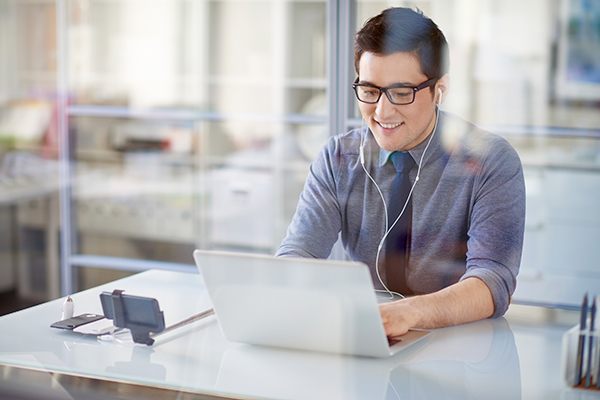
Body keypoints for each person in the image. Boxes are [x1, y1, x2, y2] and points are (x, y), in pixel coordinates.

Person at [276, 7, 525, 338]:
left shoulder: (492, 161)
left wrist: (409, 312)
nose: (382, 110)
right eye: (369, 90)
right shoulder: (339, 157)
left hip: (460, 345)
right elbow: (300, 251)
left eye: (401, 92)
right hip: (370, 335)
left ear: (440, 90)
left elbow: (492, 281)